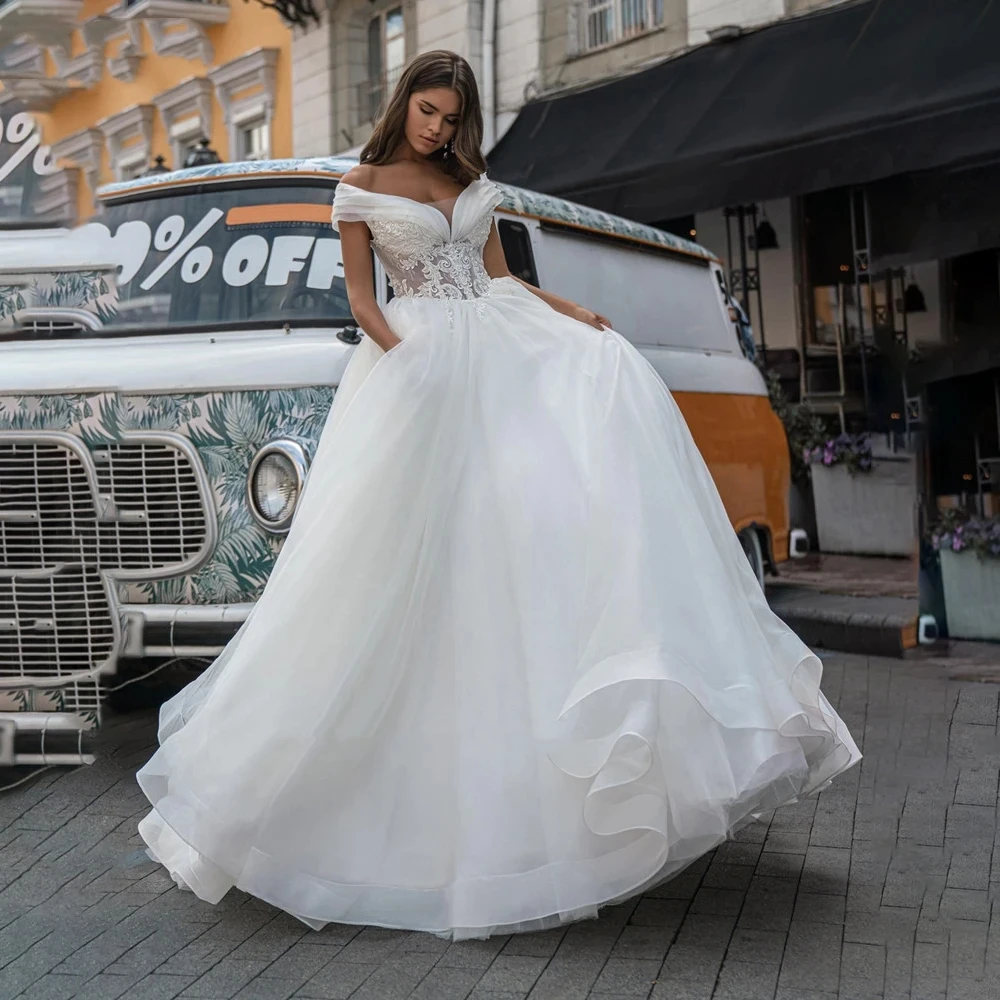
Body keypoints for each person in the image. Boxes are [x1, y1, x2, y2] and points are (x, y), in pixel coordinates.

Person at [136, 50, 860, 941]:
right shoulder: (360, 187)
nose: (436, 128)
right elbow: (364, 303)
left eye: (450, 116)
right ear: (404, 102)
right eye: (427, 111)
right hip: (416, 367)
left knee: (542, 503)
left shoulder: (474, 182)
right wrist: (414, 366)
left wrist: (574, 314)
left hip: (503, 349)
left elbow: (502, 280)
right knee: (380, 572)